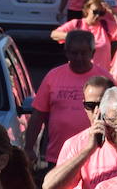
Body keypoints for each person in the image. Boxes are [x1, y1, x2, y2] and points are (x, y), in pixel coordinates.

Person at [24, 31, 108, 168]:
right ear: (66, 52)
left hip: (96, 156)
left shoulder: (106, 79)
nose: (79, 58)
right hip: (58, 156)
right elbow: (38, 115)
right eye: (74, 53)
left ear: (92, 53)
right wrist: (28, 148)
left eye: (84, 53)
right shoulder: (53, 76)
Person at [51, 0, 117, 52]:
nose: (97, 16)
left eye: (101, 13)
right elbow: (54, 34)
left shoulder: (106, 25)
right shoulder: (77, 24)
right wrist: (75, 36)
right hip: (80, 67)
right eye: (95, 12)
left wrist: (115, 14)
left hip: (101, 68)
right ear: (88, 9)